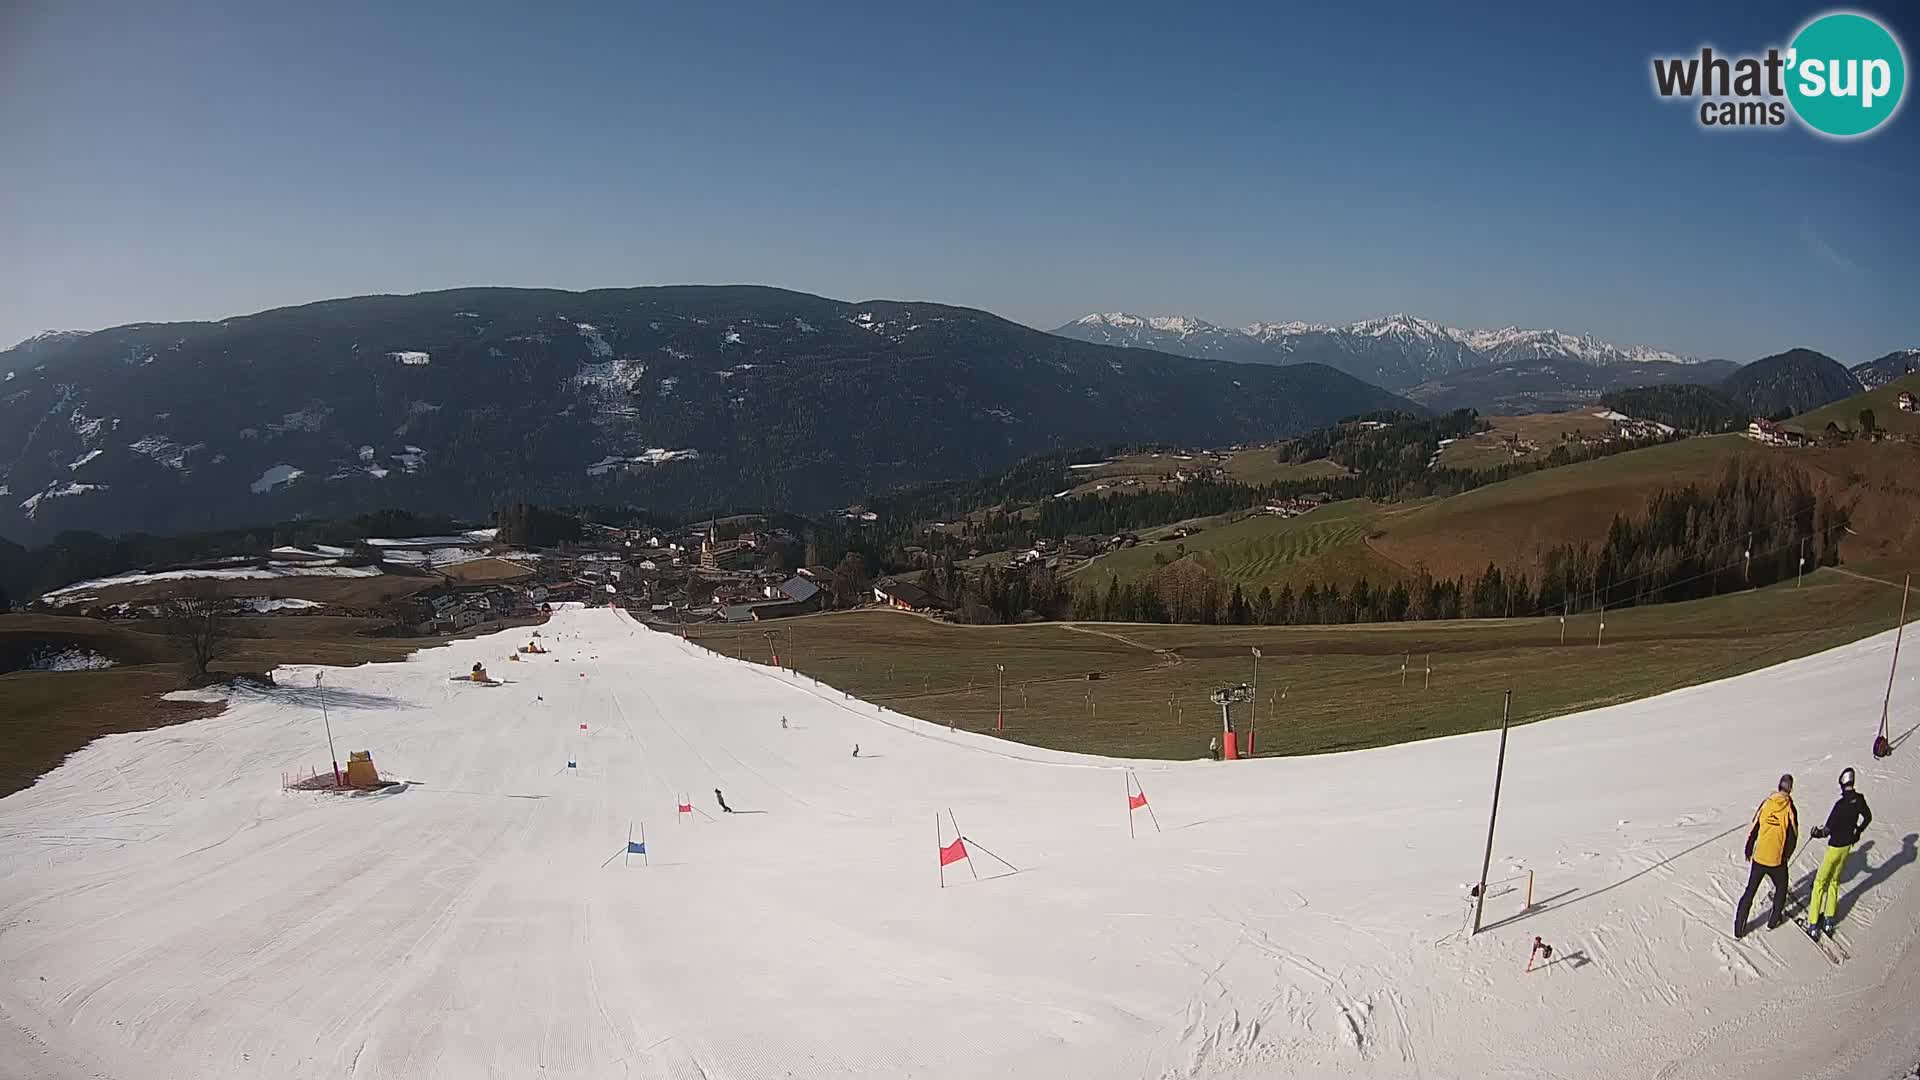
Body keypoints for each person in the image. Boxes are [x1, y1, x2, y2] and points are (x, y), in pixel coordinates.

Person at [1805, 767, 1872, 939]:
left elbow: (1827, 830)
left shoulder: (1840, 805)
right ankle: (1828, 920)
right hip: (1846, 848)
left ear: (1842, 784)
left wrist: (1816, 833)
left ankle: (1813, 923)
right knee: (1834, 882)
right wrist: (1858, 831)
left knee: (1820, 883)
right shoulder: (1859, 800)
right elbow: (1868, 817)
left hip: (1834, 848)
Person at [1735, 773, 1798, 938]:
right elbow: (1793, 836)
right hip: (1776, 860)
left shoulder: (1767, 803)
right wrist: (1786, 856)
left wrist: (1749, 847)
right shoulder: (1790, 808)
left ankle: (1738, 928)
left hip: (1760, 857)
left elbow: (1755, 825)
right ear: (1790, 790)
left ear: (1778, 787)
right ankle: (1773, 920)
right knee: (1782, 888)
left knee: (1750, 890)